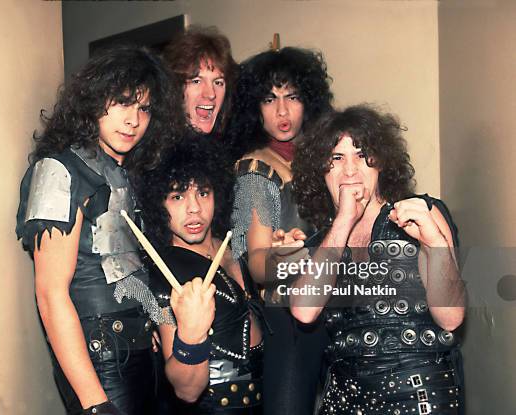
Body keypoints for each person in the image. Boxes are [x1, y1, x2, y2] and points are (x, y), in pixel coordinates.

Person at [15, 46, 180, 415]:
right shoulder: (60, 170)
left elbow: (128, 268)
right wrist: (93, 402)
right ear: (93, 100)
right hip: (100, 360)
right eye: (121, 103)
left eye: (144, 108)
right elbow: (50, 293)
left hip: (140, 355)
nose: (133, 120)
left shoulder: (125, 172)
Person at [289, 105, 465, 414]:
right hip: (344, 401)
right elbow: (304, 311)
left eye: (361, 155)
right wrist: (343, 222)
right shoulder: (320, 243)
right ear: (322, 170)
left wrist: (433, 243)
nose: (350, 170)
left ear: (380, 163)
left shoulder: (422, 214)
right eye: (337, 158)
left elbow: (451, 318)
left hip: (421, 396)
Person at [227, 46, 333, 415]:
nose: (282, 112)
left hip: (335, 311)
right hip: (285, 318)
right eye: (270, 99)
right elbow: (256, 265)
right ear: (255, 108)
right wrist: (292, 257)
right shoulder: (258, 169)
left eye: (292, 97)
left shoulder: (327, 160)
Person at [137, 139, 265, 414]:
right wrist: (191, 336)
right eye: (178, 196)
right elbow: (187, 389)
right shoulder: (163, 274)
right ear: (158, 204)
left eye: (203, 193)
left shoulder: (233, 251)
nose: (194, 208)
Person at [163, 26, 238, 138]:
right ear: (175, 87)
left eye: (218, 83)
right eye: (196, 81)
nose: (211, 94)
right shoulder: (155, 152)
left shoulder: (230, 148)